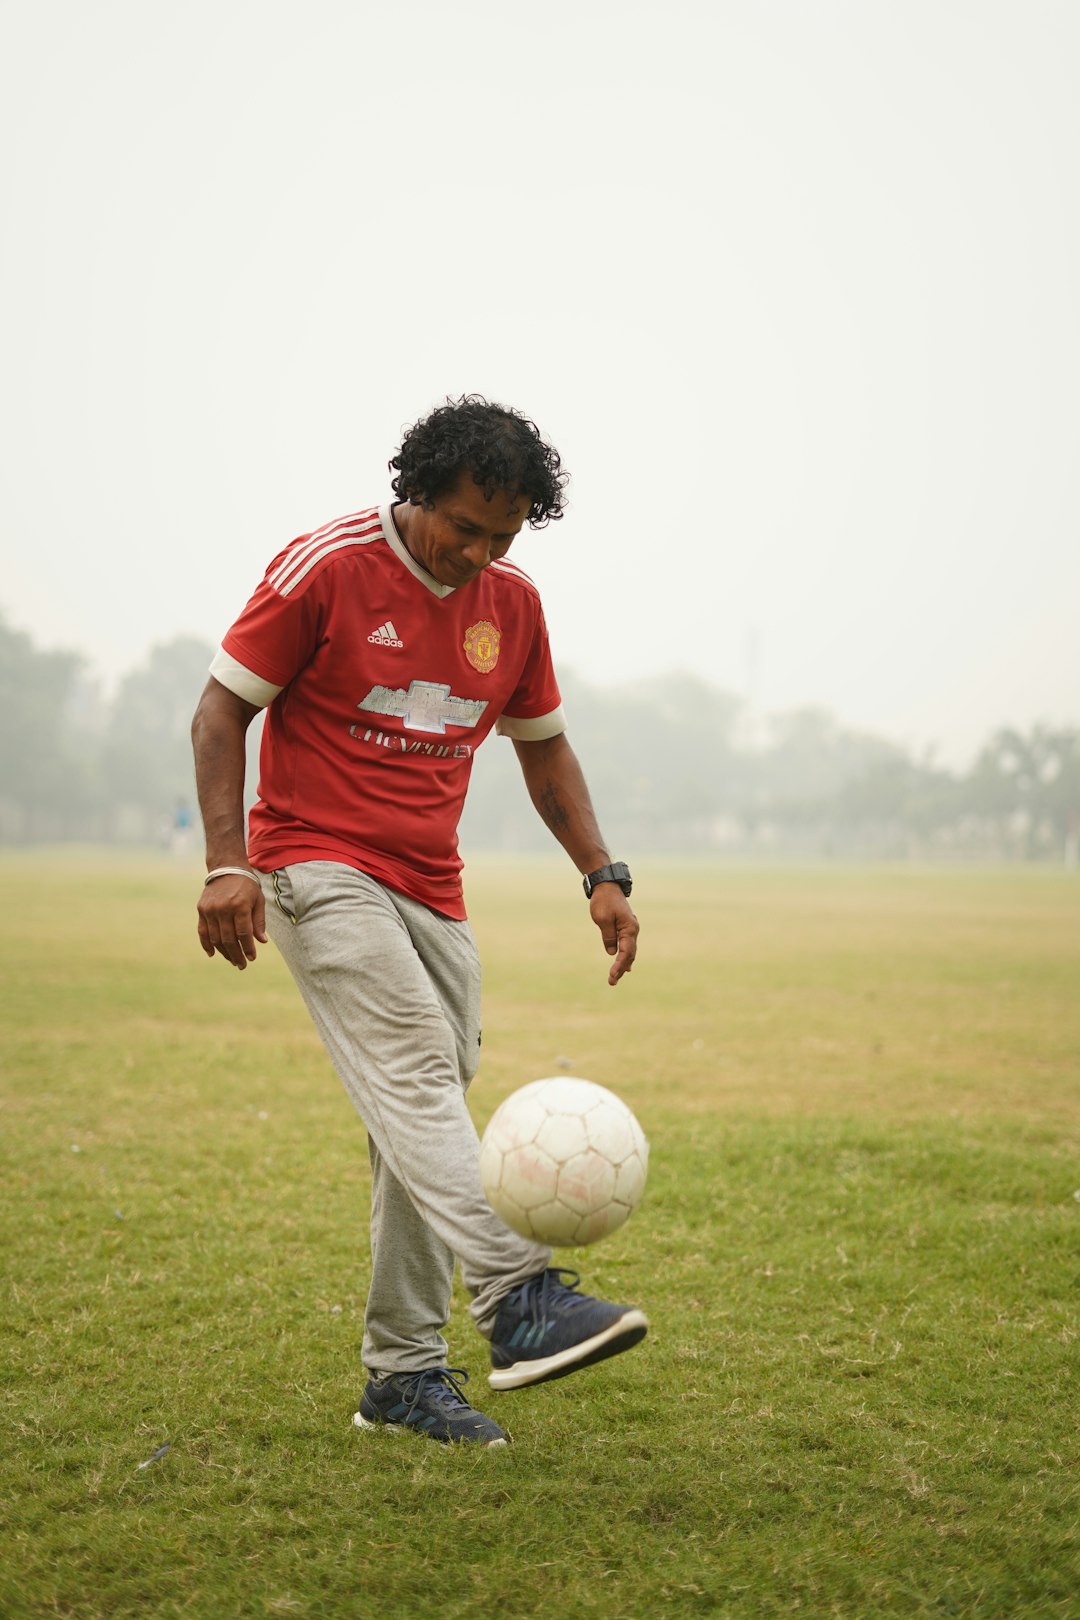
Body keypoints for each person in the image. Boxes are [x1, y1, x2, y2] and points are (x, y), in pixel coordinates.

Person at [191, 395, 644, 1447]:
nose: (479, 553)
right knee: (416, 1075)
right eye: (463, 528)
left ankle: (400, 1375)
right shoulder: (327, 567)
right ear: (416, 495)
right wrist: (226, 863)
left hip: (432, 887)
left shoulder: (512, 604)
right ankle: (517, 1298)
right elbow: (222, 709)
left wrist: (600, 874)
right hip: (313, 860)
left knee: (416, 1118)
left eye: (503, 535)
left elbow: (543, 747)